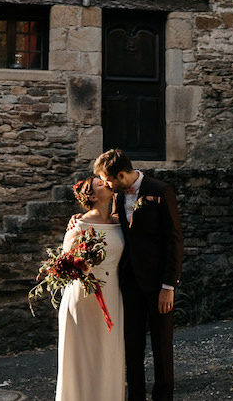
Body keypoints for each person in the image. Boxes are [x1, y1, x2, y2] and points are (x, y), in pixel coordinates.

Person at [94, 148, 183, 401]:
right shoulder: (119, 196)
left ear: (121, 175)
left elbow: (174, 240)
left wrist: (169, 286)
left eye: (108, 180)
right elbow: (112, 224)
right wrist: (81, 220)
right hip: (129, 284)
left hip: (158, 285)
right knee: (132, 347)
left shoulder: (160, 191)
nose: (106, 185)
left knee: (161, 347)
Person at [56, 175, 125, 401]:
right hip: (84, 296)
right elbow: (64, 264)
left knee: (108, 355)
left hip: (113, 294)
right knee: (82, 358)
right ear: (93, 196)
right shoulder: (80, 224)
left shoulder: (120, 221)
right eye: (99, 183)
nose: (105, 182)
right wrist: (81, 265)